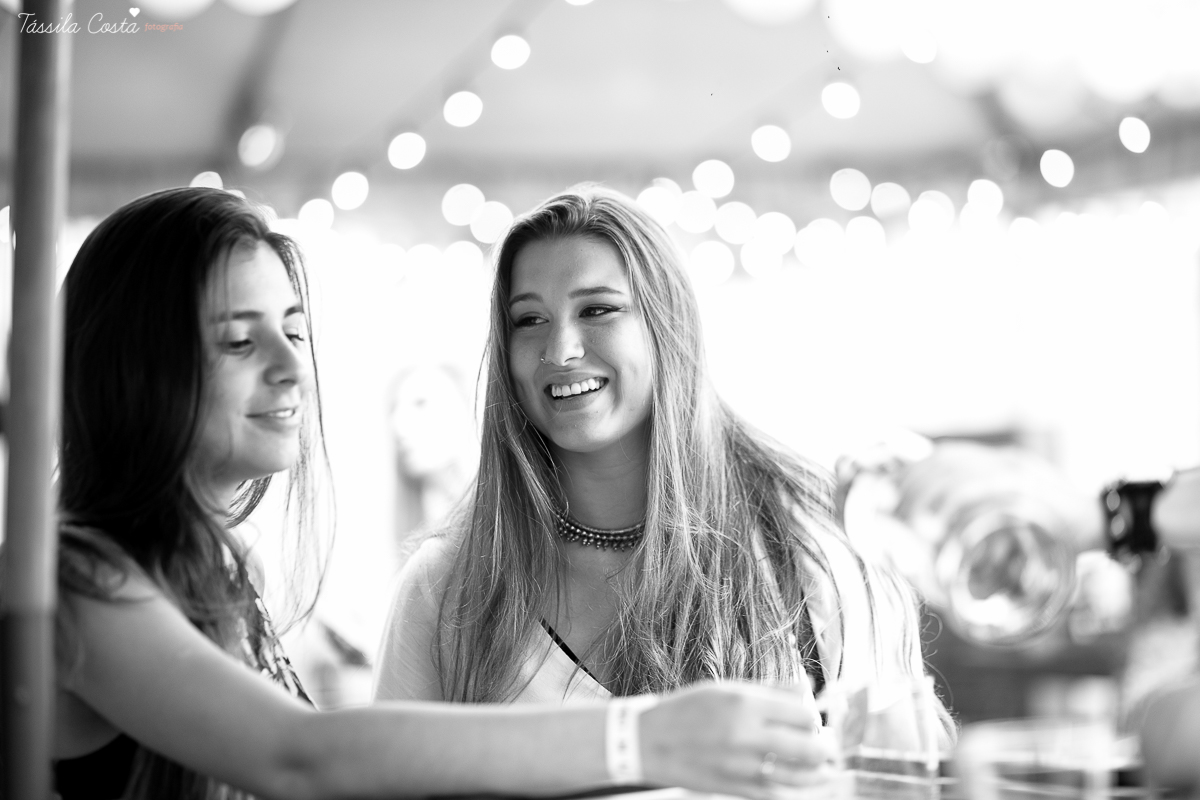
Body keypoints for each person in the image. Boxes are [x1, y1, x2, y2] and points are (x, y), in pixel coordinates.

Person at [49, 186, 837, 799]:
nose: (293, 368)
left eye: (293, 331)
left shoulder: (214, 578)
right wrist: (643, 738)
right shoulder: (68, 578)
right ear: (133, 365)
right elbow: (299, 757)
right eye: (238, 340)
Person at [374, 186, 947, 742]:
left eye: (597, 309)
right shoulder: (446, 585)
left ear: (668, 324)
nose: (560, 350)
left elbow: (899, 769)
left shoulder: (808, 542)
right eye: (529, 320)